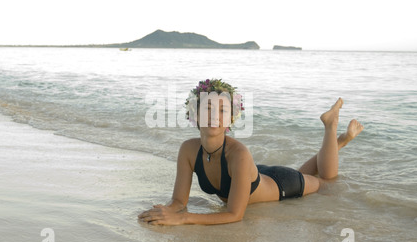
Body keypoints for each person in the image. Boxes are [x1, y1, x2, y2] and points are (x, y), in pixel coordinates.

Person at [138, 79, 364, 225]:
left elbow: (235, 215)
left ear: (230, 119)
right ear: (194, 114)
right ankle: (339, 143)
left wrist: (183, 219)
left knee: (326, 181)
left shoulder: (238, 153)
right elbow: (179, 200)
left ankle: (331, 125)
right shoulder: (188, 149)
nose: (214, 115)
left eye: (222, 110)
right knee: (307, 174)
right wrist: (167, 210)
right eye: (207, 108)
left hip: (283, 184)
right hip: (258, 175)